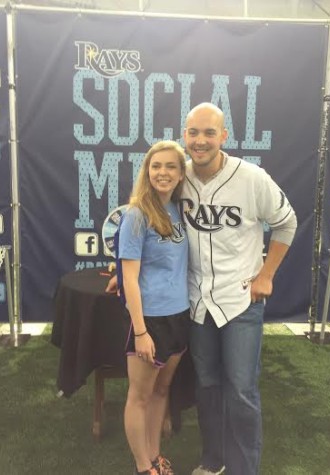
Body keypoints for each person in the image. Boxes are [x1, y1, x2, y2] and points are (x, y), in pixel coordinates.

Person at [180, 103, 297, 475]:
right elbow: (147, 220)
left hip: (240, 300)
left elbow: (286, 223)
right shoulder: (176, 175)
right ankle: (214, 460)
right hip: (197, 299)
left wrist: (267, 275)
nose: (200, 141)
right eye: (193, 132)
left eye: (208, 133)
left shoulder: (251, 177)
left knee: (242, 391)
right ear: (185, 135)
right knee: (208, 386)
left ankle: (245, 469)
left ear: (223, 136)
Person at [117, 140, 190, 475]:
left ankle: (156, 456)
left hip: (179, 314)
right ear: (147, 171)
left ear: (180, 173)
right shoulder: (137, 214)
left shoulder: (180, 210)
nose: (163, 172)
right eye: (156, 166)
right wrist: (142, 330)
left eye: (170, 166)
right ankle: (143, 467)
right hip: (151, 320)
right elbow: (129, 277)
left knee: (162, 390)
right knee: (140, 397)